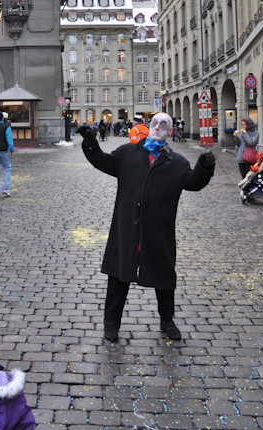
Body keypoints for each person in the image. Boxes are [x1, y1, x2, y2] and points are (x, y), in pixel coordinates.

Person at [78, 112, 215, 342]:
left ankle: (167, 320)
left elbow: (193, 183)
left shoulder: (177, 163)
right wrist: (90, 140)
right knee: (118, 276)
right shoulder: (128, 154)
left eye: (165, 124)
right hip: (127, 228)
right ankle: (111, 324)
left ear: (170, 131)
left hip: (158, 230)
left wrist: (205, 167)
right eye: (156, 123)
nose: (160, 127)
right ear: (149, 126)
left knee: (163, 277)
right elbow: (102, 160)